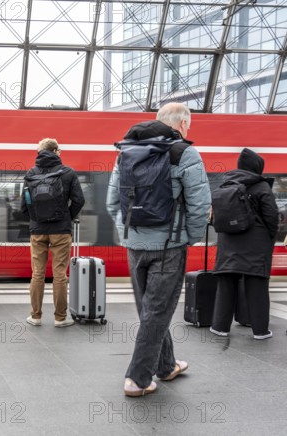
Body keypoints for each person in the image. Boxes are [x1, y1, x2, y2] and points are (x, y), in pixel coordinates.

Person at [106, 102, 211, 396]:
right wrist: (187, 237)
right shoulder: (185, 153)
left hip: (134, 245)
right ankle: (137, 379)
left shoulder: (126, 152)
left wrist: (128, 234)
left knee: (150, 310)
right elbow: (200, 205)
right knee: (156, 311)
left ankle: (165, 366)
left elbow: (112, 203)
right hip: (169, 247)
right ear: (184, 124)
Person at [211, 148, 278, 340]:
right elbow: (271, 216)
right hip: (255, 245)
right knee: (256, 285)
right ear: (257, 167)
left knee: (226, 284)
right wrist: (269, 237)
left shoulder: (226, 184)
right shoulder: (261, 186)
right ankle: (260, 331)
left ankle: (219, 327)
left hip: (227, 243)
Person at [21, 138, 85, 328]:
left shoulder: (30, 173)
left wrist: (35, 219)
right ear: (56, 151)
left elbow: (24, 205)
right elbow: (79, 200)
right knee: (59, 275)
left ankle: (35, 316)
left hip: (37, 231)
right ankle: (60, 318)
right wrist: (66, 217)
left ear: (39, 152)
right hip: (60, 231)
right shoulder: (68, 173)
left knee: (37, 274)